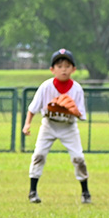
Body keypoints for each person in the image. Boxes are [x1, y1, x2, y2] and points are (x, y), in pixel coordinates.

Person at [22, 48, 91, 204]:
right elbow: (32, 108)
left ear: (73, 69)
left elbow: (81, 115)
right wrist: (27, 125)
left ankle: (85, 192)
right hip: (49, 125)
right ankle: (32, 191)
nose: (63, 70)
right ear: (52, 70)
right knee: (39, 155)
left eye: (67, 66)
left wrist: (72, 110)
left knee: (78, 158)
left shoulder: (77, 89)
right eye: (59, 66)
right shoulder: (46, 86)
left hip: (69, 126)